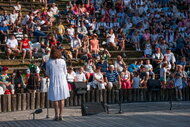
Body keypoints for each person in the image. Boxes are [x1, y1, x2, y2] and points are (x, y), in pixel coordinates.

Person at [46, 48, 70, 121]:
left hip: (54, 81)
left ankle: (56, 115)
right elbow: (65, 72)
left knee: (55, 98)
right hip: (62, 81)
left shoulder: (49, 62)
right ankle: (61, 115)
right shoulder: (62, 61)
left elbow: (48, 73)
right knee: (61, 98)